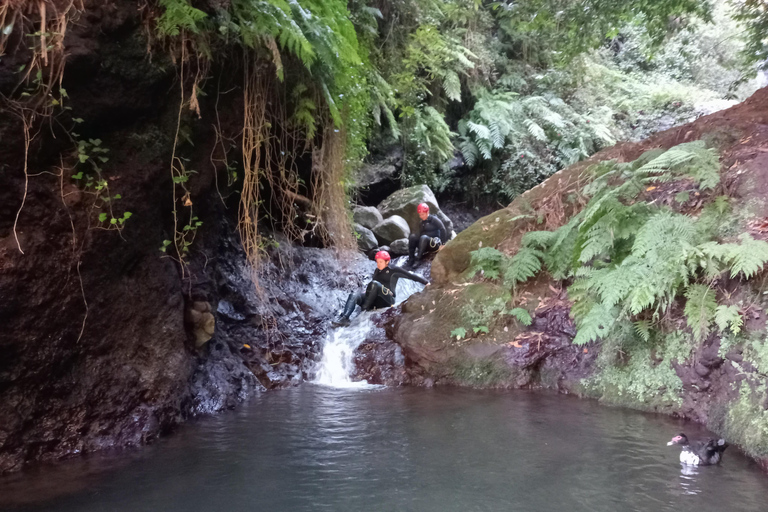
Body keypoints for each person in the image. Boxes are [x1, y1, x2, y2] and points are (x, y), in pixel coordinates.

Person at [333, 250, 429, 326]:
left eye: (381, 262)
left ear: (387, 261)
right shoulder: (377, 270)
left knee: (375, 283)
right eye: (377, 262)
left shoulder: (394, 270)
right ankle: (345, 318)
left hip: (387, 299)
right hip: (375, 298)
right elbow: (371, 286)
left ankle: (364, 309)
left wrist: (426, 282)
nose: (378, 264)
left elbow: (411, 276)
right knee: (353, 295)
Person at [407, 203, 448, 267]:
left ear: (427, 212)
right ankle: (411, 258)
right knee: (412, 237)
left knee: (424, 237)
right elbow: (419, 235)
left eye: (422, 214)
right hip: (424, 244)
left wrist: (443, 244)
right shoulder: (421, 222)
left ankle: (418, 260)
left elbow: (443, 229)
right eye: (420, 215)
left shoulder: (434, 219)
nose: (421, 216)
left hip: (434, 244)